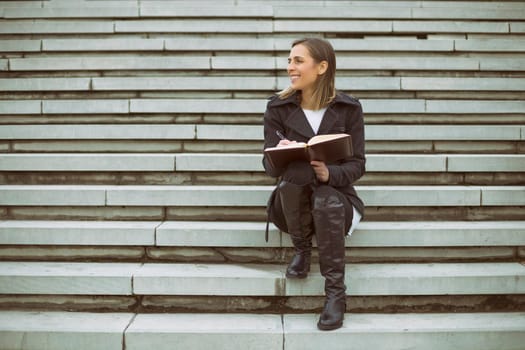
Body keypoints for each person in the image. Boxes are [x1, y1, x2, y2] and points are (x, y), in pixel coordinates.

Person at [263, 38, 365, 331]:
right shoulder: (277, 108)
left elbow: (358, 164)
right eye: (289, 61)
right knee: (295, 174)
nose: (290, 68)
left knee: (326, 198)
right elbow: (270, 170)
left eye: (298, 61)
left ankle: (335, 294)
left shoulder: (348, 108)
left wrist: (329, 174)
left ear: (322, 67)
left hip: (336, 200)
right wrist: (279, 153)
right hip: (292, 199)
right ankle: (302, 248)